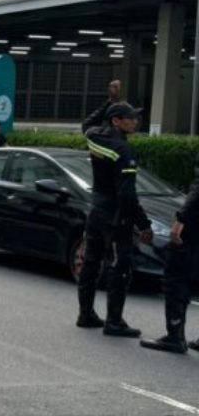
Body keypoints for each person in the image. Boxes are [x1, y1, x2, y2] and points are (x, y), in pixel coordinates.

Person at [75, 102, 152, 336]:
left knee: (91, 262)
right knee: (121, 266)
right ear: (117, 122)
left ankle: (85, 314)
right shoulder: (123, 151)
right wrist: (144, 224)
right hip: (116, 217)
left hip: (96, 210)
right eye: (130, 118)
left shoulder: (94, 137)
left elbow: (87, 124)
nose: (135, 121)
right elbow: (127, 196)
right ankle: (114, 321)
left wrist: (108, 101)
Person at [140, 153, 199, 353]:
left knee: (176, 281)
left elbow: (197, 193)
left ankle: (175, 337)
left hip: (192, 234)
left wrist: (180, 221)